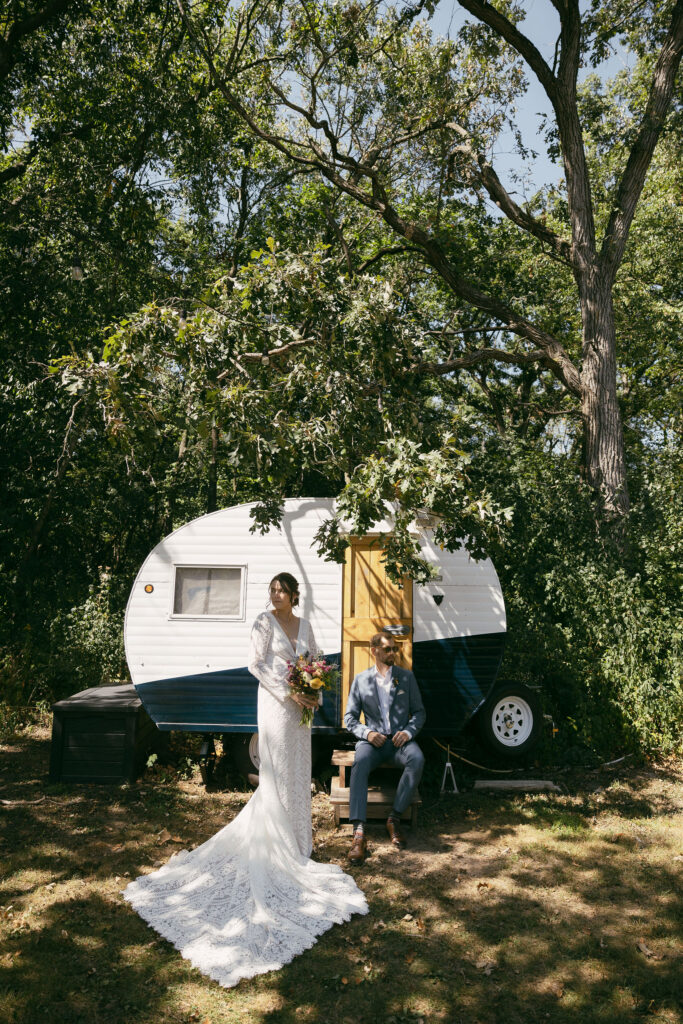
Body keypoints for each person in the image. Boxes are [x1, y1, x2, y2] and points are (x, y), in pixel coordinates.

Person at [124, 572, 368, 988]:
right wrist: (288, 692)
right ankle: (275, 846)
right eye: (271, 590)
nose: (275, 596)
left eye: (281, 590)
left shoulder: (305, 625)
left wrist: (314, 694)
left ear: (293, 594)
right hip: (274, 705)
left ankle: (298, 843)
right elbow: (256, 665)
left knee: (298, 770)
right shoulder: (262, 622)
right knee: (275, 771)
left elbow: (317, 663)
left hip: (300, 711)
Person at [344, 631, 426, 865]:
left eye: (394, 649)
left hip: (400, 742)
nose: (393, 653)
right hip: (373, 743)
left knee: (417, 759)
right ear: (375, 651)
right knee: (359, 761)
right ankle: (359, 831)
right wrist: (368, 733)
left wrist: (408, 732)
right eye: (388, 649)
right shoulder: (361, 680)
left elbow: (420, 712)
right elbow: (349, 718)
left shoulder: (406, 678)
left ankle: (394, 818)